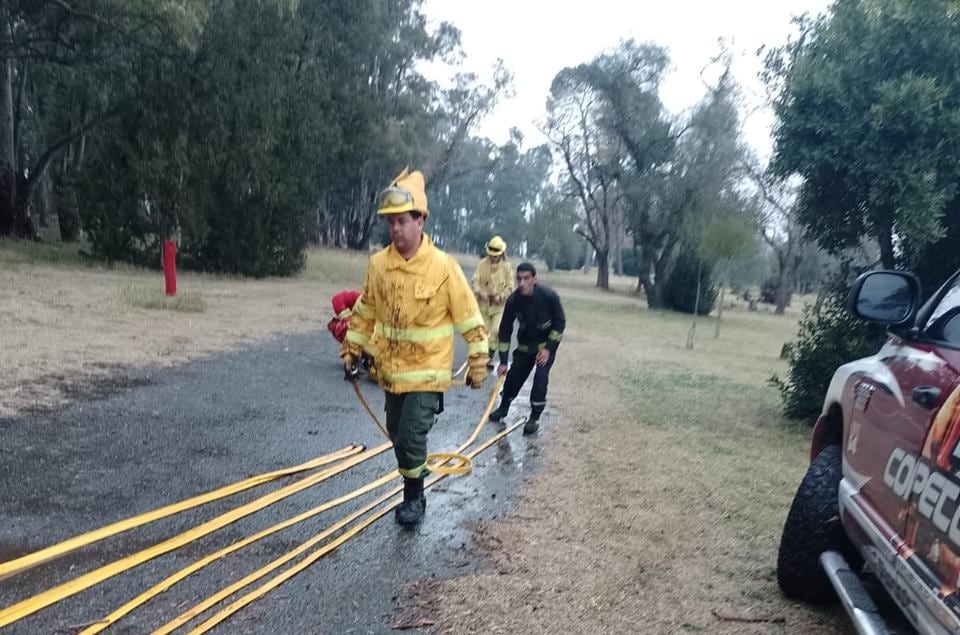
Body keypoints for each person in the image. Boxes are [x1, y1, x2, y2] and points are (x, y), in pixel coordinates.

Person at [341, 168, 489, 526]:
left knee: (409, 436)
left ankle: (414, 499)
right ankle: (413, 480)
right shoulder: (379, 265)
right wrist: (352, 350)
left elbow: (469, 317)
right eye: (390, 222)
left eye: (403, 221)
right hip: (390, 373)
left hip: (427, 375)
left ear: (421, 221)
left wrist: (478, 359)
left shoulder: (443, 268)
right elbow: (365, 311)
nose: (396, 229)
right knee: (397, 434)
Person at [489, 262, 565, 435]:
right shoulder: (513, 300)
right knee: (514, 376)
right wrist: (502, 361)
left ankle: (534, 418)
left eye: (526, 278)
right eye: (519, 279)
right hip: (524, 347)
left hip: (544, 348)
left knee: (540, 378)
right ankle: (504, 407)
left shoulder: (548, 296)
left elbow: (560, 323)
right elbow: (505, 330)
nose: (522, 283)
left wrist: (548, 349)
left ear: (534, 279)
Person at [471, 235, 514, 368]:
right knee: (483, 332)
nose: (493, 257)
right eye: (491, 255)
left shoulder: (507, 267)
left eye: (496, 255)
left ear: (502, 254)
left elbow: (510, 287)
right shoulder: (482, 264)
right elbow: (475, 281)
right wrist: (479, 292)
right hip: (483, 306)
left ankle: (489, 357)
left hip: (499, 307)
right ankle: (480, 357)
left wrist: (500, 296)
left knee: (495, 331)